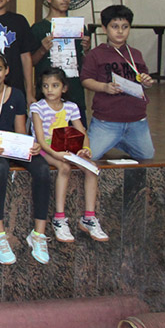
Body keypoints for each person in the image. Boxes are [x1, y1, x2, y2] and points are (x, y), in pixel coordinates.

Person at [0, 52, 51, 265]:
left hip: (12, 145)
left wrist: (30, 145)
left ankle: (38, 234)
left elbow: (20, 131)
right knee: (0, 168)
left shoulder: (17, 95)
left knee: (42, 168)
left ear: (6, 71)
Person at [31, 67, 108, 244]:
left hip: (65, 148)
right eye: (45, 86)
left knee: (92, 169)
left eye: (55, 85)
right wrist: (56, 154)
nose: (49, 90)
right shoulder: (38, 107)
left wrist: (85, 149)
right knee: (64, 167)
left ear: (64, 88)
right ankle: (59, 218)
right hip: (46, 148)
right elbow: (40, 139)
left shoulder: (71, 107)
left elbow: (82, 132)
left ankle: (89, 217)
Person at [80, 4, 156, 161]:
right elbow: (86, 80)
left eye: (125, 27)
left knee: (147, 155)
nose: (120, 31)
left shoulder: (136, 54)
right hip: (107, 121)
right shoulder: (96, 54)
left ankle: (120, 141)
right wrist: (104, 87)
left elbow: (144, 79)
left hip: (136, 120)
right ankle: (112, 138)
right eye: (114, 27)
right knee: (91, 156)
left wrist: (147, 82)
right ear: (104, 28)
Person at [31, 0, 90, 123]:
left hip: (74, 94)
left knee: (77, 135)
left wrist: (87, 50)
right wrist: (42, 50)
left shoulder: (79, 28)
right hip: (47, 97)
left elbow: (86, 64)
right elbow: (30, 62)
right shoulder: (38, 28)